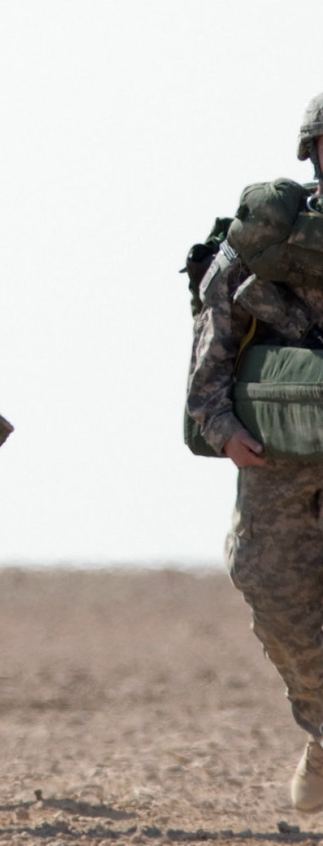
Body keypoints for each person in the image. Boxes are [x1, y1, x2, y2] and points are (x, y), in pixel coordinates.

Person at [187, 91, 323, 814]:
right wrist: (219, 424)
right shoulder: (269, 234)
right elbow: (214, 329)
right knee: (275, 599)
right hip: (278, 454)